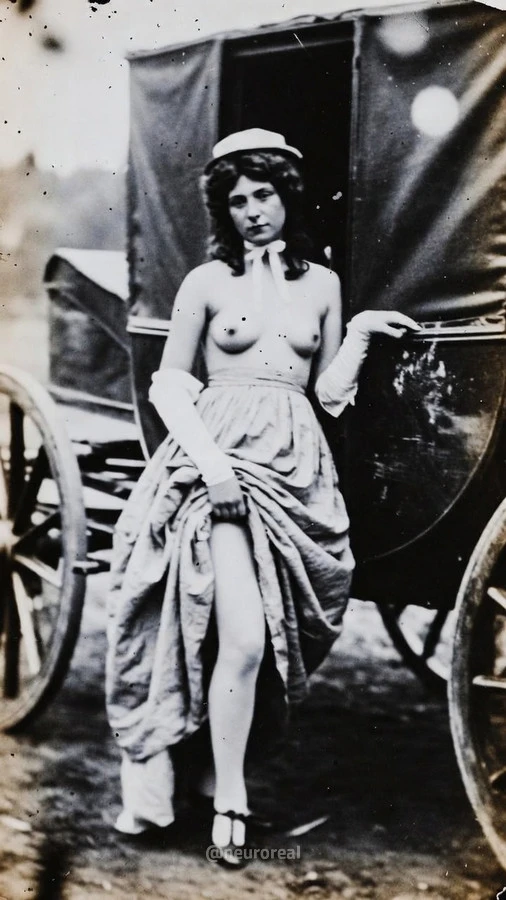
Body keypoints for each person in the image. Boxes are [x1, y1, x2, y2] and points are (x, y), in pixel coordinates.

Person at [106, 127, 418, 866]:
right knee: (244, 638)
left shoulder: (323, 285)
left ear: (288, 197)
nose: (251, 211)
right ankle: (231, 802)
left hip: (294, 467)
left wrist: (361, 333)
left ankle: (217, 776)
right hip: (217, 464)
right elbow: (170, 387)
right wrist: (214, 470)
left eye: (264, 195)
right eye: (237, 200)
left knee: (258, 642)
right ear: (224, 209)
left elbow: (327, 396)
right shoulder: (207, 283)